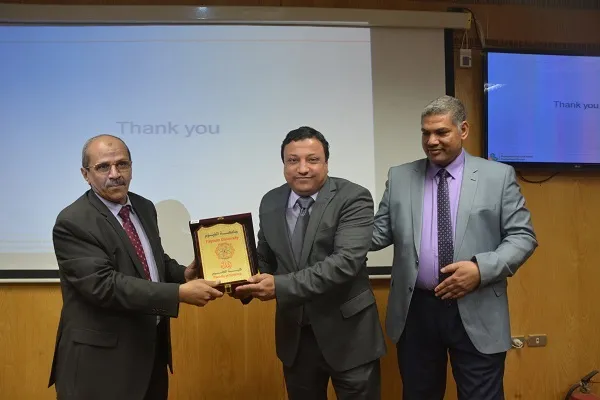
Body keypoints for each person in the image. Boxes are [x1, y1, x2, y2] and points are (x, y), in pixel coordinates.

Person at [371, 95, 538, 400]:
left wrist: (480, 269)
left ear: (463, 130)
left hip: (477, 305)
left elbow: (522, 237)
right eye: (425, 133)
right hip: (417, 310)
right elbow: (378, 234)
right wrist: (333, 223)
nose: (431, 141)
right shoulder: (400, 177)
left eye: (441, 132)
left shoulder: (498, 176)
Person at [48, 134, 224, 400]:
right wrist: (177, 293)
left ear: (131, 166)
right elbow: (105, 286)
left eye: (122, 164)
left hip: (149, 355)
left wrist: (184, 274)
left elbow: (151, 262)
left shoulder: (143, 207)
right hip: (100, 365)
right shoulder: (73, 221)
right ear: (85, 174)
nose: (115, 174)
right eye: (103, 167)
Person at [235, 126, 386, 400]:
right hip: (296, 337)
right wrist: (236, 278)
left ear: (326, 163)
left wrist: (280, 286)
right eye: (293, 160)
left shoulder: (353, 197)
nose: (302, 168)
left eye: (312, 160)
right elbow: (265, 257)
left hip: (349, 335)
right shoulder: (271, 201)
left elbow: (345, 263)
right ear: (284, 164)